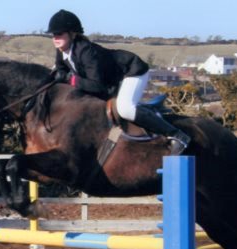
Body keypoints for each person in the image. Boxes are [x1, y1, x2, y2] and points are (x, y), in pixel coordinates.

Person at [47, 9, 190, 154]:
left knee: (125, 109)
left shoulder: (86, 51)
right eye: (53, 34)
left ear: (72, 34)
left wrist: (70, 79)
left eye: (59, 34)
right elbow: (60, 73)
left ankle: (177, 135)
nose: (55, 38)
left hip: (132, 72)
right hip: (112, 81)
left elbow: (96, 86)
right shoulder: (62, 51)